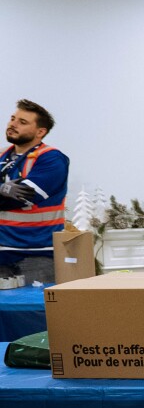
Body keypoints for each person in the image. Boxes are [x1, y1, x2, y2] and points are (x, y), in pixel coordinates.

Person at [0, 99, 69, 285]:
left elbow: (22, 197)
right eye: (13, 118)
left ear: (40, 132)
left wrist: (10, 194)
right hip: (3, 253)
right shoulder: (2, 156)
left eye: (22, 122)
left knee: (39, 310)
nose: (12, 124)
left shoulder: (52, 159)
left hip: (38, 255)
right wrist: (3, 189)